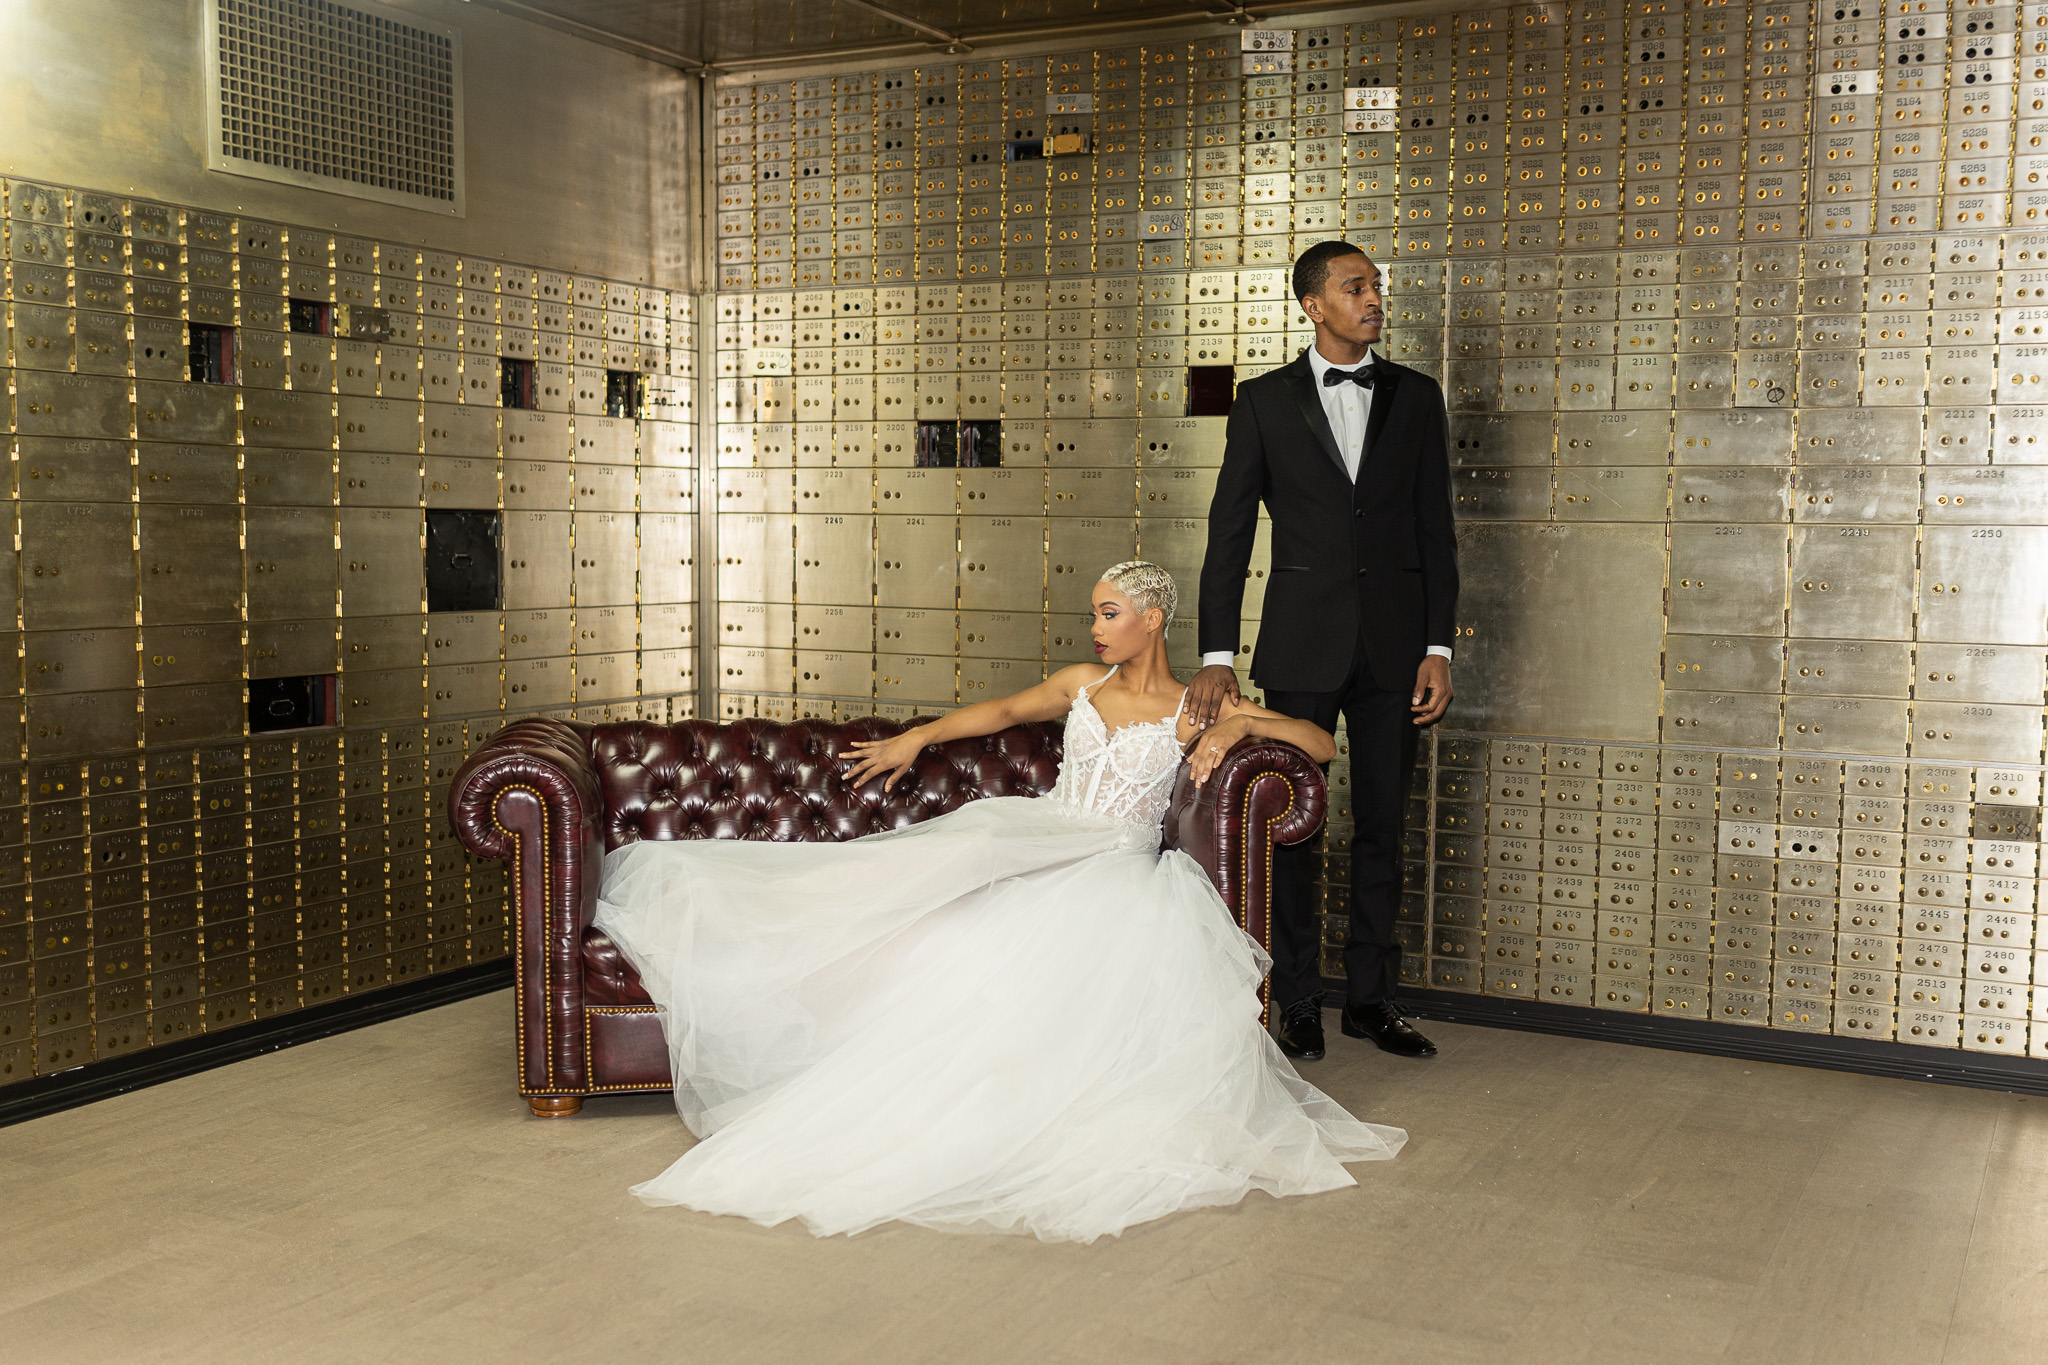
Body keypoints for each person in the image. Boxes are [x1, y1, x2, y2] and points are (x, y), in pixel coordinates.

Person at [592, 561, 1404, 1244]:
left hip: (1114, 866)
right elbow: (1006, 711)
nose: (1096, 627)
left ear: (1153, 621)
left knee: (1014, 912)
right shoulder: (1083, 683)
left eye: (1111, 614)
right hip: (1042, 832)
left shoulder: (1195, 705)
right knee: (969, 855)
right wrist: (916, 738)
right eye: (1095, 613)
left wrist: (1227, 734)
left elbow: (1320, 740)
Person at [1185, 240, 1460, 1064]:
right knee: (1291, 827)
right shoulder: (1264, 401)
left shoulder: (1416, 396)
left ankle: (1373, 998)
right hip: (1300, 643)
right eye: (1355, 287)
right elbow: (1229, 530)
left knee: (1384, 822)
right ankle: (1297, 996)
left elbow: (1434, 530)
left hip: (1395, 647)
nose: (1373, 298)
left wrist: (1437, 644)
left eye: (1375, 286)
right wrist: (1216, 652)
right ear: (1314, 305)